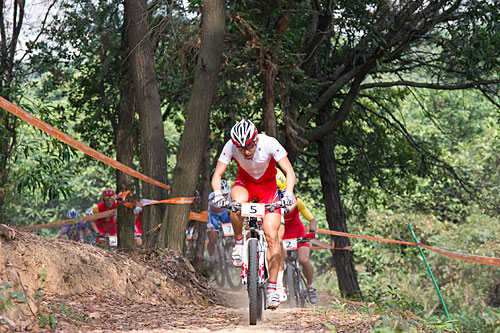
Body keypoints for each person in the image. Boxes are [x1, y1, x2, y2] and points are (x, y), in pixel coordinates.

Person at [211, 119, 296, 310]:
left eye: (249, 147)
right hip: (245, 184)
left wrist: (288, 193)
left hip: (268, 189)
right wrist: (217, 194)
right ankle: (239, 244)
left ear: (256, 139)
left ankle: (273, 289)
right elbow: (217, 175)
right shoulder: (231, 145)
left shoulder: (270, 143)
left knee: (272, 236)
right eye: (241, 149)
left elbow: (289, 172)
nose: (246, 152)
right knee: (236, 204)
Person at [276, 168, 318, 303]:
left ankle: (310, 286)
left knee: (304, 259)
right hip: (283, 236)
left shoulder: (297, 202)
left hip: (298, 234)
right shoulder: (274, 205)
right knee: (281, 261)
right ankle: (281, 287)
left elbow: (312, 219)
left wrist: (312, 231)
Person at [207, 179, 231, 262]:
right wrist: (210, 224)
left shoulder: (231, 196)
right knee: (212, 238)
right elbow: (207, 212)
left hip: (224, 214)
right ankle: (211, 258)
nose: (224, 197)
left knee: (233, 232)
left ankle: (227, 251)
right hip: (213, 215)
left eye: (226, 194)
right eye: (222, 195)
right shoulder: (211, 197)